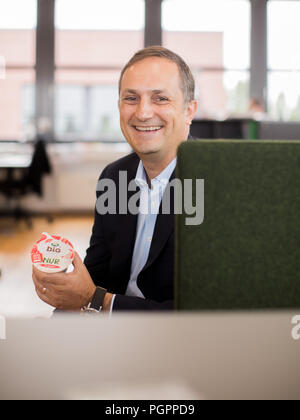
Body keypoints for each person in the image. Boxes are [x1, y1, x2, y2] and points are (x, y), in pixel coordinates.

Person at [32, 46, 197, 312]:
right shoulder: (115, 177)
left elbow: (206, 312)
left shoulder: (218, 184)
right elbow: (97, 273)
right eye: (131, 98)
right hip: (110, 335)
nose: (143, 113)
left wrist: (98, 301)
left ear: (189, 111)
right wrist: (66, 287)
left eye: (160, 99)